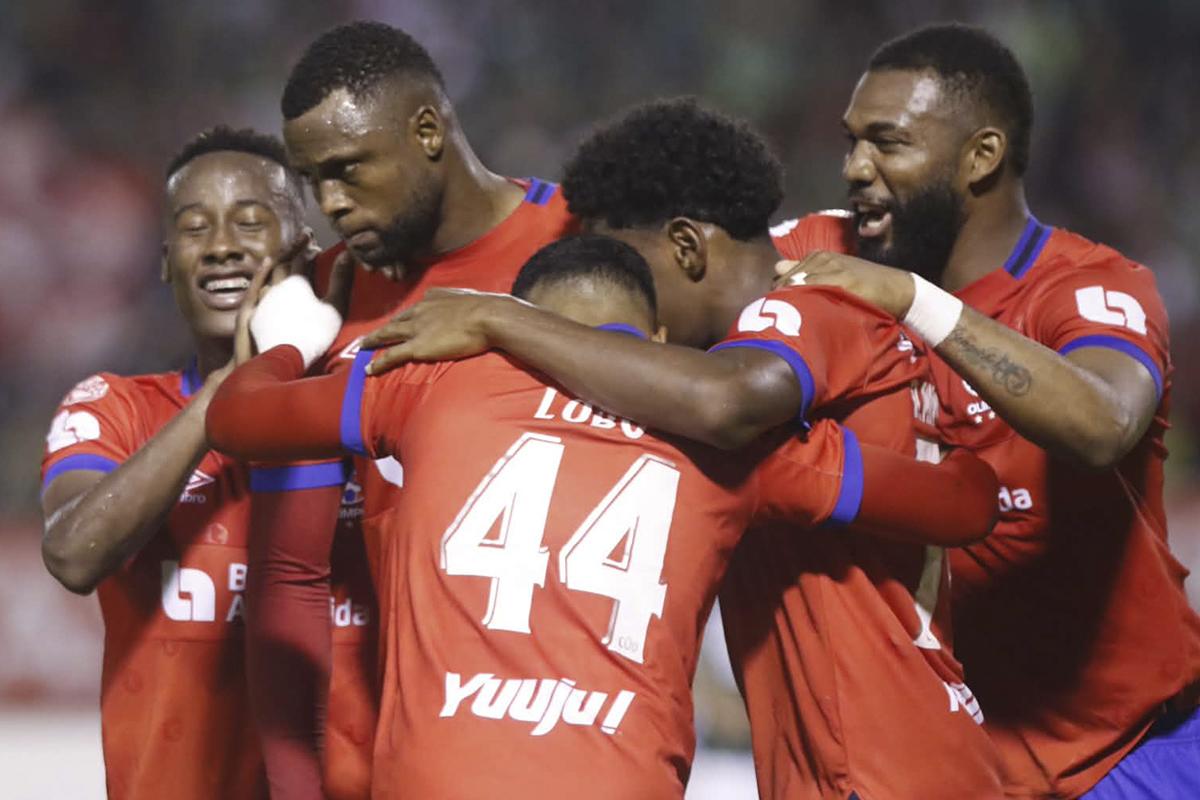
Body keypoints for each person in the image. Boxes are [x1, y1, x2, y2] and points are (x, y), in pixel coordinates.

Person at [362, 99, 1007, 798]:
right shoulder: (749, 386)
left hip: (886, 764)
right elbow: (965, 498)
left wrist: (500, 319)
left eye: (626, 269)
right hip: (846, 758)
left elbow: (725, 402)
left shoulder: (801, 308)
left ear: (687, 248)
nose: (620, 297)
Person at [207, 234, 999, 798]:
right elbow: (968, 504)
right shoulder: (737, 443)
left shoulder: (434, 379)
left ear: (518, 314)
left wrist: (290, 341)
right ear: (654, 337)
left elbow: (238, 419)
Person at [770, 23, 1200, 799]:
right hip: (951, 770)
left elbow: (1101, 423)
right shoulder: (830, 251)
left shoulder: (1089, 288)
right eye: (851, 142)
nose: (854, 169)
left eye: (887, 143)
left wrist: (916, 303)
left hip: (1131, 753)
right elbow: (677, 260)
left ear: (981, 157)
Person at [246, 21, 575, 795]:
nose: (329, 202)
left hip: (556, 734)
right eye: (311, 179)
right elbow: (290, 565)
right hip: (382, 752)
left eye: (349, 170)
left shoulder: (578, 249)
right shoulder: (326, 295)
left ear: (428, 130)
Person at [37, 126, 371, 800]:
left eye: (251, 221)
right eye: (195, 228)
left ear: (303, 249)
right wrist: (230, 390)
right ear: (166, 261)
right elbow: (74, 553)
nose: (221, 245)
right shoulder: (115, 409)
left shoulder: (370, 409)